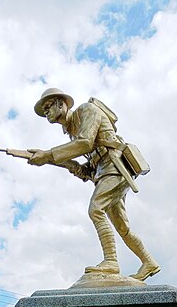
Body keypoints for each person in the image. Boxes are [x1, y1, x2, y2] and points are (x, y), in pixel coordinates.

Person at [27, 88, 160, 281]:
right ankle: (148, 262)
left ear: (61, 103)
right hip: (104, 171)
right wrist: (54, 161)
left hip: (115, 167)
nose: (46, 112)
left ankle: (111, 262)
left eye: (49, 106)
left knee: (95, 209)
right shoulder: (71, 132)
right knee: (122, 227)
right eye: (44, 109)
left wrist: (48, 154)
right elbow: (87, 167)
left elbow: (86, 143)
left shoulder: (86, 111)